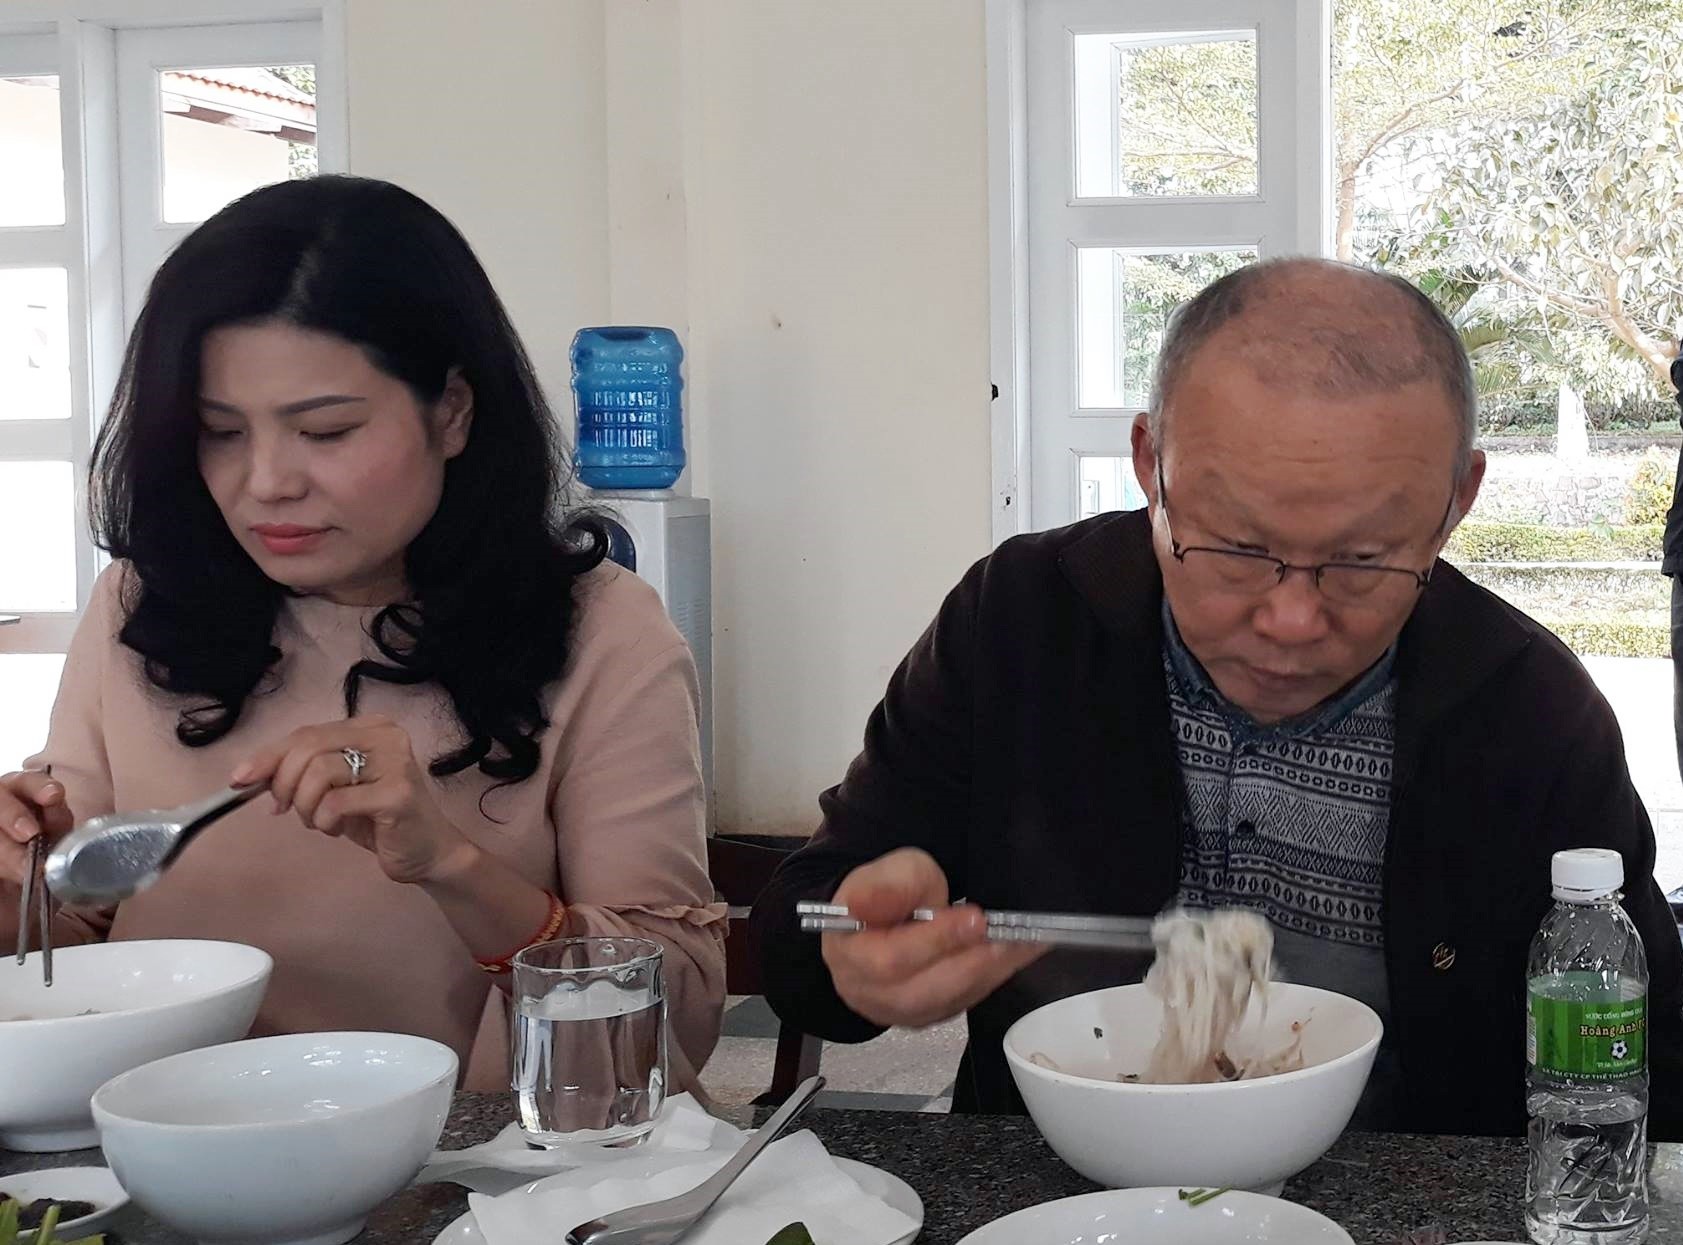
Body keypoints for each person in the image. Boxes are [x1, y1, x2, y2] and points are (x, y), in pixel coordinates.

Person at [752, 257, 1683, 1137]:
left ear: (1456, 499)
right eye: (1236, 547)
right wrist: (846, 955)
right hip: (1056, 1188)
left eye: (1362, 560)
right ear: (1149, 461)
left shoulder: (1525, 708)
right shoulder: (1022, 620)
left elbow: (1655, 1053)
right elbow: (799, 923)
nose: (1289, 620)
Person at [0, 175, 726, 1092]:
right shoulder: (140, 607)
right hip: (162, 1138)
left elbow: (673, 1017)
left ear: (452, 411)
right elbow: (76, 938)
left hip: (469, 1162)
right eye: (220, 432)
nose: (267, 482)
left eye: (326, 430)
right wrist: (15, 887)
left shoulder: (599, 631)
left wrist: (448, 862)